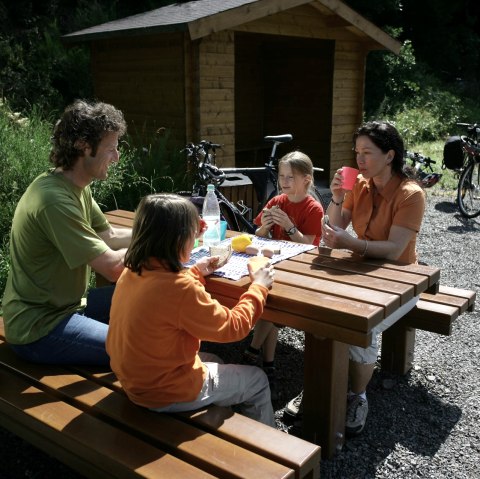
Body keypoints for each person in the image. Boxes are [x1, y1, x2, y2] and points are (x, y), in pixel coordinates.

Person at [285, 121, 426, 436]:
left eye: (368, 153)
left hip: (402, 279)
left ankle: (357, 395)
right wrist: (336, 197)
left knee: (364, 323)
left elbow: (394, 249)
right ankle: (323, 385)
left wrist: (353, 244)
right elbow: (334, 229)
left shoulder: (410, 194)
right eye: (357, 152)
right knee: (320, 309)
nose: (360, 160)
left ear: (389, 156)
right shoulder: (358, 184)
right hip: (359, 270)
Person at [106, 193, 276, 427]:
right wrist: (258, 285)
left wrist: (195, 271)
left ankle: (222, 422)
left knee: (215, 359)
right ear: (179, 240)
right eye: (192, 235)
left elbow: (166, 295)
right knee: (257, 380)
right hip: (163, 392)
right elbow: (234, 327)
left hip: (135, 379)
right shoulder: (180, 288)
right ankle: (268, 453)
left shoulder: (133, 270)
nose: (196, 239)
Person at [2, 100, 131, 365]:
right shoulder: (54, 200)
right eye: (111, 149)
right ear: (84, 146)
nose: (117, 157)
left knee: (148, 298)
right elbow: (113, 269)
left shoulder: (76, 186)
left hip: (71, 305)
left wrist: (167, 229)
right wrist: (163, 242)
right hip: (40, 327)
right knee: (137, 349)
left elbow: (108, 237)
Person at [242, 151, 324, 399]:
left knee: (269, 307)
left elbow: (309, 246)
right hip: (276, 264)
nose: (284, 182)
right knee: (269, 307)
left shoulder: (314, 208)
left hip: (300, 269)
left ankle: (252, 350)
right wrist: (265, 227)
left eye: (291, 177)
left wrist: (289, 226)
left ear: (306, 180)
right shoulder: (277, 201)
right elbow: (259, 233)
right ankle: (268, 363)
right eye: (281, 176)